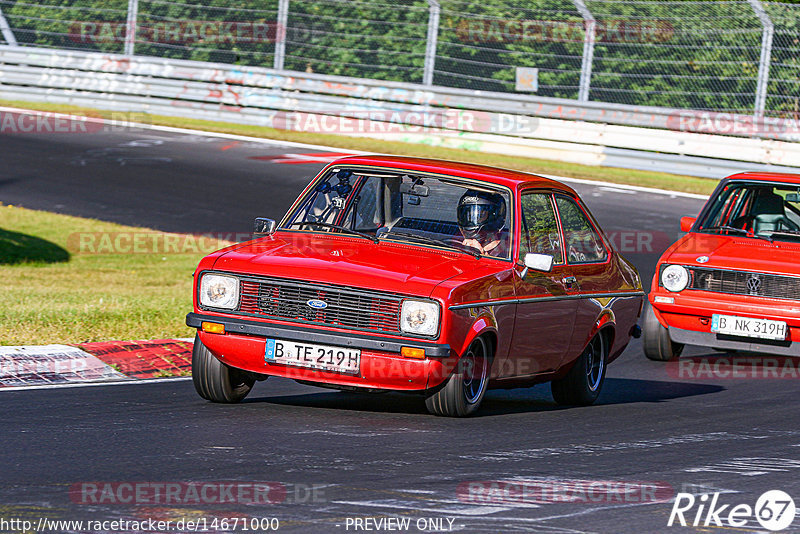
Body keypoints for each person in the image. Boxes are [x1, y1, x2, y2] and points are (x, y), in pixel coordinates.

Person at [457, 189, 509, 257]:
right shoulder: (457, 239)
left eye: (481, 216)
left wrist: (482, 255)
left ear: (494, 216)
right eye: (467, 215)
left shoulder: (506, 251)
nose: (470, 222)